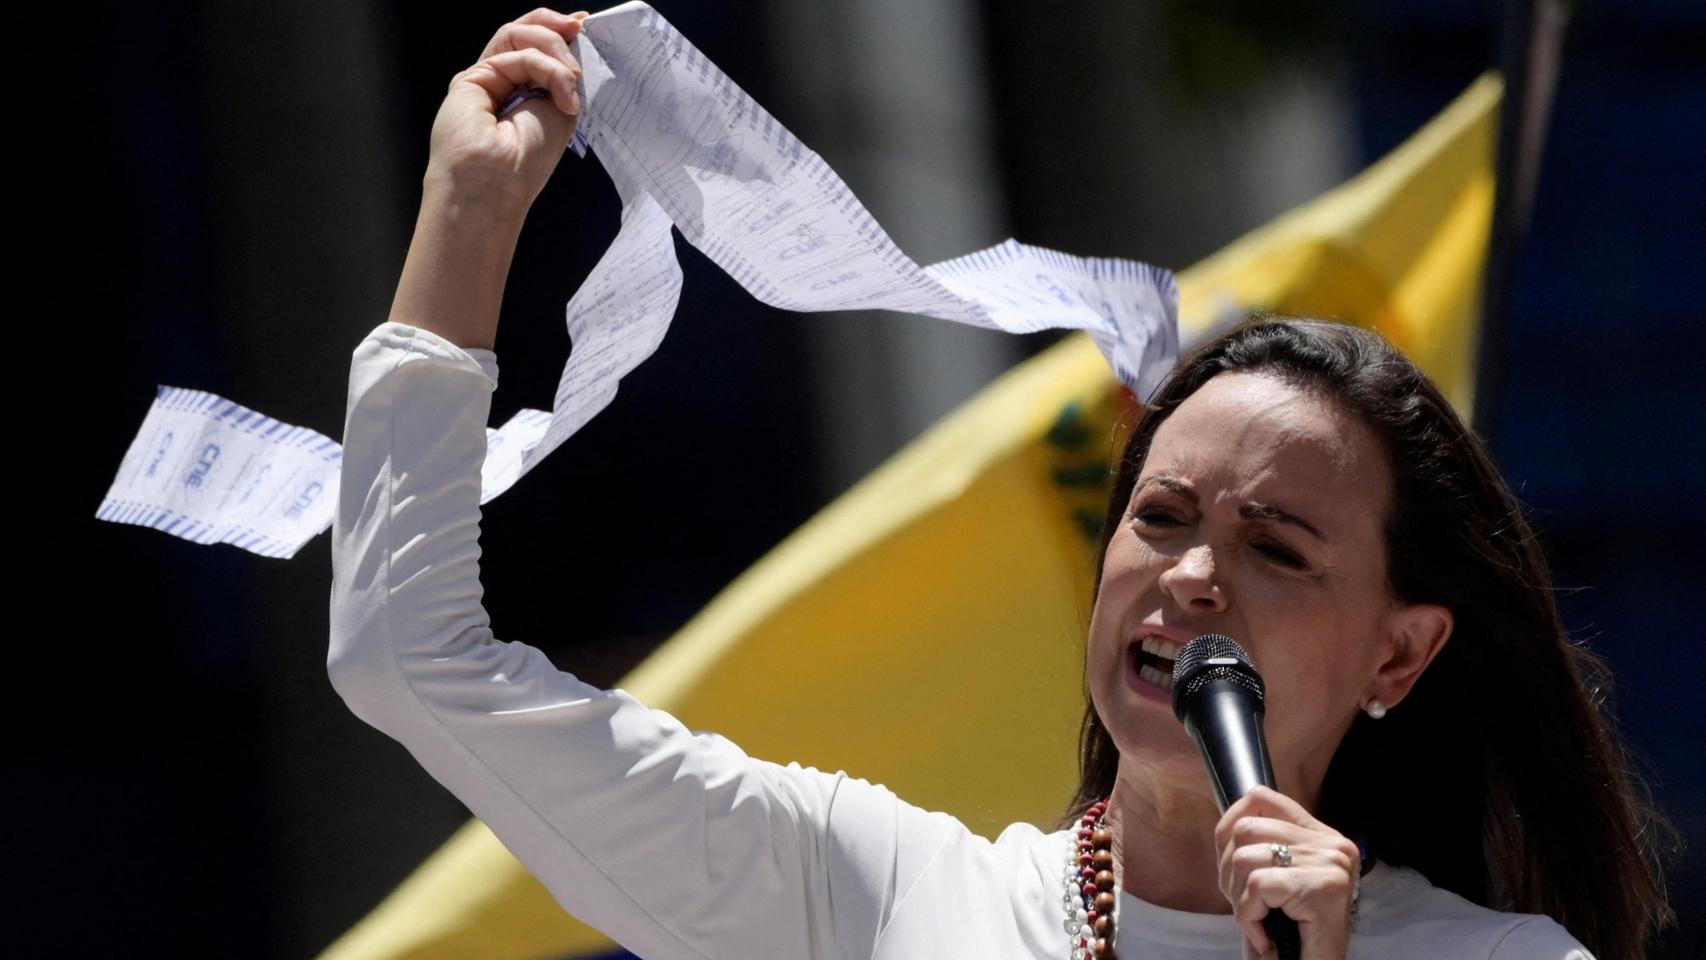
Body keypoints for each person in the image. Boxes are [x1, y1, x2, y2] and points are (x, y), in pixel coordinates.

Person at [328, 9, 1671, 959]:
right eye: (1158, 517)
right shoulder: (866, 894)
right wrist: (472, 211)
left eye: (1277, 549)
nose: (1192, 574)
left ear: (1399, 653)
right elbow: (408, 658)